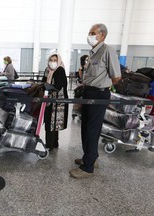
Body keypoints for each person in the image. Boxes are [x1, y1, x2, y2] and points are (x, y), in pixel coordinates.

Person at [69, 23, 121, 178]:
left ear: (102, 35)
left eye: (93, 33)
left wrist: (103, 87)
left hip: (99, 94)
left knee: (92, 129)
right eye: (89, 32)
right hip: (88, 92)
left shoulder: (108, 51)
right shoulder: (92, 53)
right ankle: (91, 157)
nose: (89, 35)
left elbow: (116, 76)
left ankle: (87, 168)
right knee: (86, 127)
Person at [42, 53, 69, 151]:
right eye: (51, 60)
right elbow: (43, 81)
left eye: (55, 60)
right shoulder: (47, 70)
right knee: (50, 122)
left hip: (58, 101)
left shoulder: (60, 70)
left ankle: (50, 145)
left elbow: (59, 86)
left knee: (52, 123)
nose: (52, 62)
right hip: (49, 99)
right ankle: (53, 143)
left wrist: (48, 87)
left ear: (58, 61)